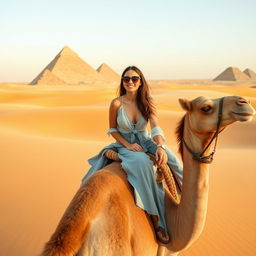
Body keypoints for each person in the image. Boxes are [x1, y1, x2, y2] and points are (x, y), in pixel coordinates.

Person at [82, 66, 183, 244]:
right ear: (122, 81)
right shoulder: (116, 103)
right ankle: (156, 218)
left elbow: (155, 127)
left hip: (147, 141)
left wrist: (160, 146)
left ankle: (187, 202)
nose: (130, 82)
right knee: (142, 163)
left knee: (174, 160)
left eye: (134, 79)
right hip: (125, 144)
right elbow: (113, 130)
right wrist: (128, 145)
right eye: (126, 79)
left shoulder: (148, 101)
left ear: (141, 81)